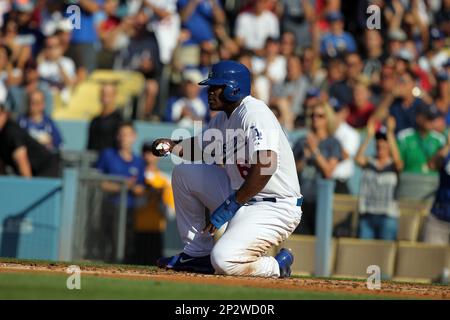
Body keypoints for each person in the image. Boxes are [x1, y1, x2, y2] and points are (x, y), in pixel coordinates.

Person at [151, 60, 302, 278]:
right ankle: (196, 253)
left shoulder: (255, 112)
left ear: (233, 88)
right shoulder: (223, 118)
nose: (210, 92)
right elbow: (200, 149)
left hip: (275, 206)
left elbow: (267, 165)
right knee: (184, 173)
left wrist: (231, 204)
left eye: (216, 87)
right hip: (241, 197)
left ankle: (276, 266)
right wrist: (172, 146)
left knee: (224, 260)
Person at [96, 122, 146, 263]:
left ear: (134, 137)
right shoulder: (108, 155)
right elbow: (99, 182)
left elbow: (141, 188)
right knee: (109, 244)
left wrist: (133, 188)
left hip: (130, 209)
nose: (124, 138)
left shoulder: (138, 161)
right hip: (110, 207)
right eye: (121, 134)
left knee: (128, 245)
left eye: (128, 134)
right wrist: (123, 186)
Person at [293, 102, 343, 235]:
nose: (316, 118)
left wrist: (314, 151)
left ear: (328, 119)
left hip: (320, 200)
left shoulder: (333, 143)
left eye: (320, 115)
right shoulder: (301, 141)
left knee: (318, 239)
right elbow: (292, 172)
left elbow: (328, 171)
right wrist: (304, 158)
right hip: (301, 199)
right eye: (313, 115)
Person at [355, 117, 403, 240]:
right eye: (379, 140)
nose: (381, 143)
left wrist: (390, 133)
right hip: (367, 215)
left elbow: (398, 162)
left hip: (387, 216)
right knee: (364, 252)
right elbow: (357, 159)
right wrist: (369, 136)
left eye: (384, 140)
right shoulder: (369, 162)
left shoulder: (393, 165)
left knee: (385, 253)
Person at [134, 142, 175, 265]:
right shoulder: (136, 178)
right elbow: (133, 206)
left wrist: (158, 199)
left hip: (156, 231)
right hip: (135, 230)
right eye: (145, 153)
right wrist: (149, 196)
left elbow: (170, 214)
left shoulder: (165, 180)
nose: (148, 156)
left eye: (152, 153)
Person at [0, 104, 60, 177]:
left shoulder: (10, 131)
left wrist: (28, 186)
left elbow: (22, 158)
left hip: (47, 169)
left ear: (4, 114)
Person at [397, 104, 446, 175]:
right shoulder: (404, 137)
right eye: (428, 118)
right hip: (408, 180)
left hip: (431, 182)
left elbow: (434, 165)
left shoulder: (440, 139)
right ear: (418, 118)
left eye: (433, 118)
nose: (431, 121)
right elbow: (399, 165)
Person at [423, 132, 450, 244]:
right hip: (439, 218)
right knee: (430, 258)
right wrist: (448, 145)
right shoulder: (446, 152)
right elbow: (432, 165)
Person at [330, 97, 360, 194]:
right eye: (331, 111)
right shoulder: (323, 131)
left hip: (339, 182)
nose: (333, 114)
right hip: (322, 181)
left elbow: (345, 155)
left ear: (345, 112)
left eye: (336, 111)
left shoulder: (351, 133)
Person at [87, 83, 123, 152]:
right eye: (103, 94)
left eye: (109, 94)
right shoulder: (94, 120)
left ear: (114, 96)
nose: (105, 97)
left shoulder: (119, 120)